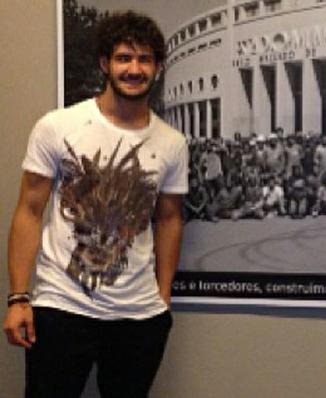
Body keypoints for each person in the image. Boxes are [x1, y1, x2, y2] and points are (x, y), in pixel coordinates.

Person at [3, 11, 187, 397]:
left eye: (144, 59)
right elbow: (29, 211)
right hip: (61, 307)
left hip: (139, 316)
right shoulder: (58, 126)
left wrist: (162, 298)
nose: (134, 69)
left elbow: (169, 219)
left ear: (157, 66)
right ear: (105, 63)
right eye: (124, 58)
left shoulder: (172, 143)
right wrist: (19, 297)